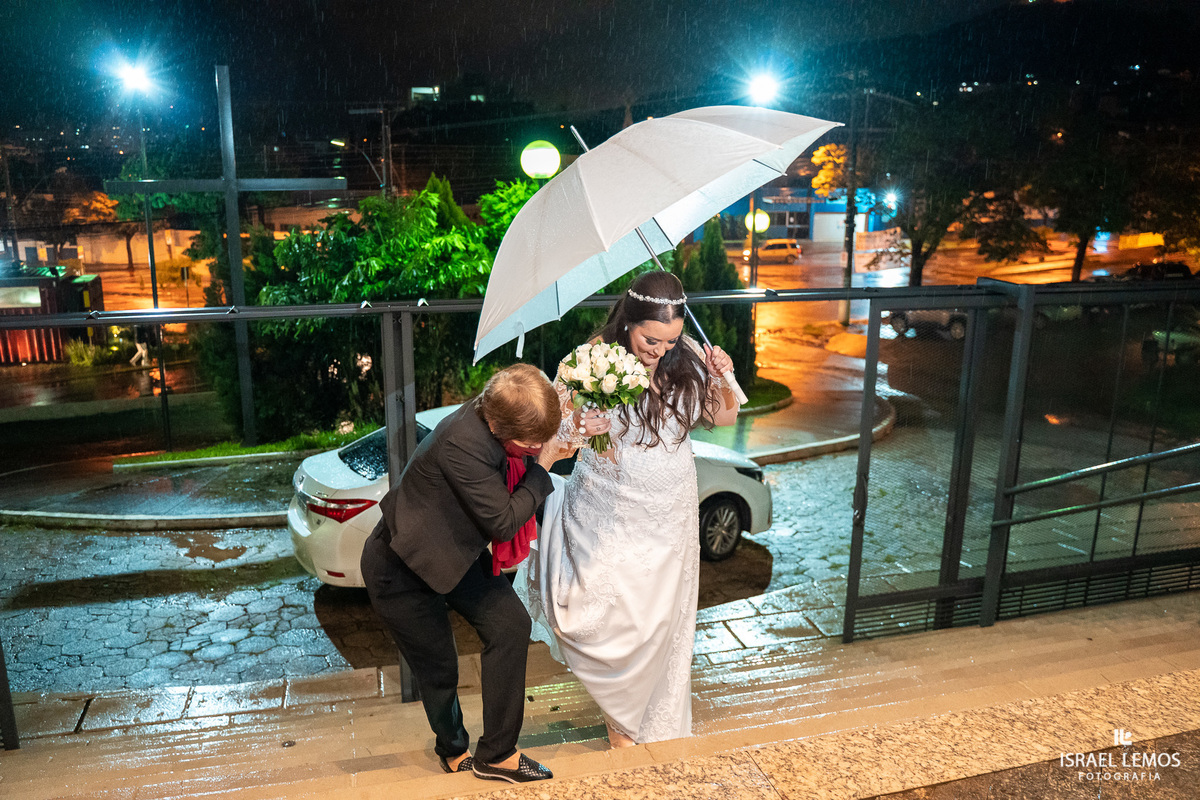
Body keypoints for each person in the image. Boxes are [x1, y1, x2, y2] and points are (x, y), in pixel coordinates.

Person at [524, 270, 740, 748]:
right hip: (610, 513)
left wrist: (722, 374)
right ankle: (623, 723)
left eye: (671, 340)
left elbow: (724, 417)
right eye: (651, 338)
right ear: (628, 321)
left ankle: (643, 730)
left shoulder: (686, 361)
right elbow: (553, 437)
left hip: (671, 514)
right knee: (616, 622)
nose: (660, 350)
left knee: (662, 624)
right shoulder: (586, 363)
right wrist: (580, 424)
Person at [360, 364, 574, 784]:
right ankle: (453, 747)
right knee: (440, 668)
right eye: (531, 443)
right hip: (401, 567)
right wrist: (544, 465)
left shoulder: (494, 415)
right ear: (499, 426)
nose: (536, 447)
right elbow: (503, 522)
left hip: (453, 554)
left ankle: (497, 754)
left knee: (510, 624)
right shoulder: (463, 442)